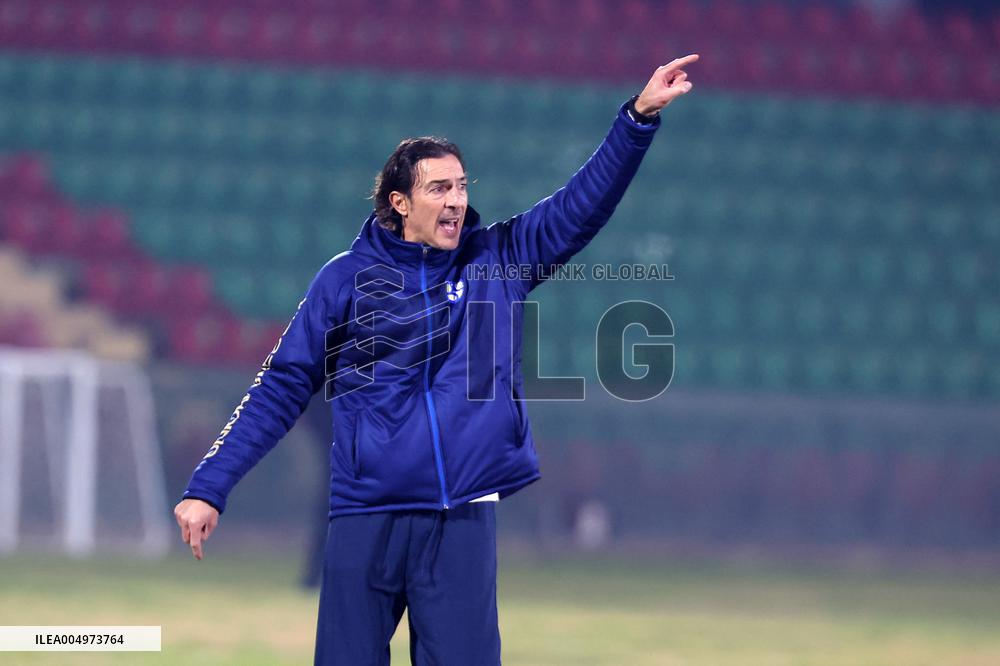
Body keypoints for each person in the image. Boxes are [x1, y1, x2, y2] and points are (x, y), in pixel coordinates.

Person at [174, 54, 698, 666]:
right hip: (367, 513)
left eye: (462, 186)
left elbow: (579, 207)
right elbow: (280, 386)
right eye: (439, 188)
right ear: (400, 202)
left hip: (461, 519)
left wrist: (637, 120)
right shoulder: (343, 281)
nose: (456, 200)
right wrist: (210, 487)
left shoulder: (497, 261)